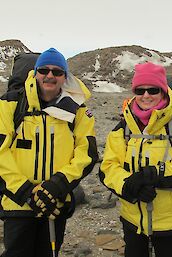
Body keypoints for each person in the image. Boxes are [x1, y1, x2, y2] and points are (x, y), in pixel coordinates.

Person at [0, 48, 99, 257]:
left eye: (57, 71)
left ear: (65, 77)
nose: (50, 75)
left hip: (56, 202)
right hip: (18, 204)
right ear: (35, 73)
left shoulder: (78, 110)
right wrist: (27, 192)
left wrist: (57, 185)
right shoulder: (10, 104)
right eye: (44, 70)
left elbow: (87, 153)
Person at [100, 62, 172, 257]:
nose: (146, 95)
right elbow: (108, 168)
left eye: (153, 90)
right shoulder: (124, 128)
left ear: (163, 91)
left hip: (171, 222)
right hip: (132, 221)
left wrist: (152, 175)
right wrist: (129, 184)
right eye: (140, 90)